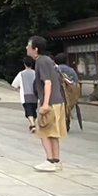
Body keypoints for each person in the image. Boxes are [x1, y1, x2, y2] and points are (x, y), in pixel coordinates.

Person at [27, 35, 66, 172]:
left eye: (28, 45)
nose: (27, 48)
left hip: (50, 102)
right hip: (57, 101)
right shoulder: (48, 60)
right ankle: (56, 160)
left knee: (43, 131)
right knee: (53, 133)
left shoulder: (41, 62)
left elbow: (47, 83)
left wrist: (44, 104)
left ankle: (50, 160)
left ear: (35, 49)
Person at [11, 56, 38, 132]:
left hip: (25, 95)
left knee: (28, 111)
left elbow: (14, 85)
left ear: (24, 64)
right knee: (33, 110)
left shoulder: (21, 74)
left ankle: (32, 124)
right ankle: (32, 124)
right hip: (35, 95)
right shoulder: (36, 73)